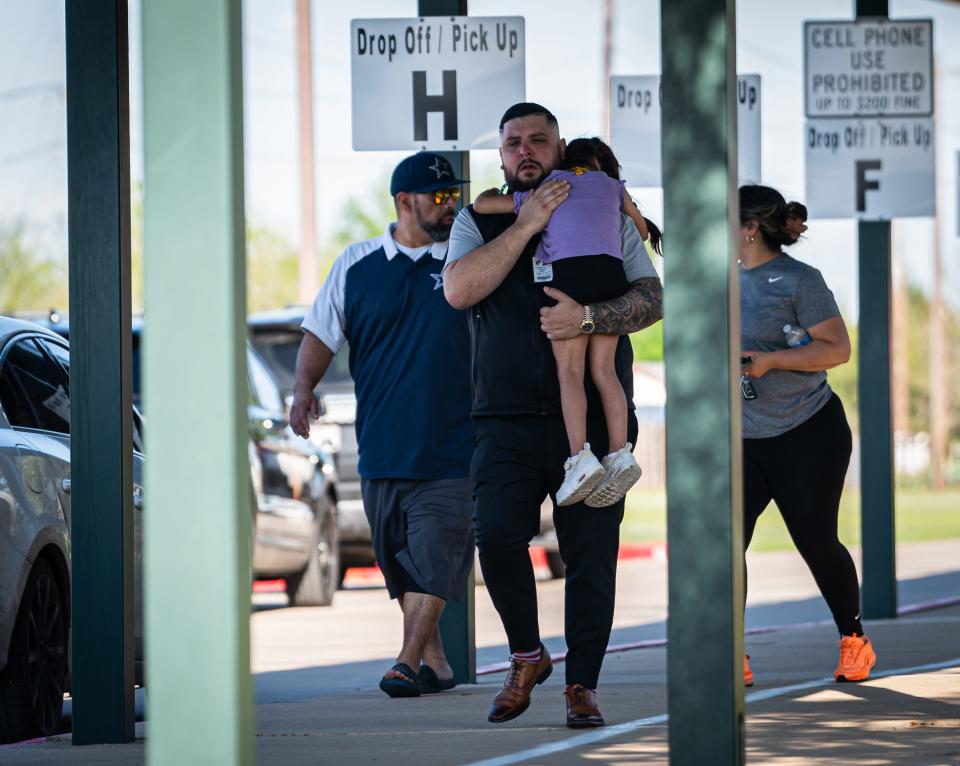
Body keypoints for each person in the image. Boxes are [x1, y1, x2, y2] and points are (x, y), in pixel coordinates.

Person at [444, 103, 663, 728]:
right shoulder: (475, 221)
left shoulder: (599, 210)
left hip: (592, 420)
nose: (526, 151)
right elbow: (459, 291)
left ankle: (582, 685)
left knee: (591, 558)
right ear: (503, 156)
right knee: (498, 540)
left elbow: (651, 298)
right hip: (503, 418)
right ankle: (526, 654)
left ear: (560, 146)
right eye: (513, 143)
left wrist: (589, 320)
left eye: (539, 139)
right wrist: (526, 225)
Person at [289, 152, 474, 699]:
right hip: (383, 449)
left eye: (453, 195)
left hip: (456, 448)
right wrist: (303, 390)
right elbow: (322, 332)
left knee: (435, 555)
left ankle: (406, 660)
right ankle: (437, 662)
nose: (450, 204)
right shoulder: (357, 264)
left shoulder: (469, 262)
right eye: (438, 197)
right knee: (401, 562)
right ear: (403, 201)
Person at [738, 184, 877, 687]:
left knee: (816, 541)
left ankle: (854, 641)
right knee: (726, 544)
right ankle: (734, 654)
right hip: (744, 439)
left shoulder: (798, 279)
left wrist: (772, 359)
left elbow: (837, 348)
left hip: (808, 432)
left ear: (750, 227)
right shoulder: (721, 282)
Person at [471, 137, 657, 508]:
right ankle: (619, 453)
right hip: (611, 277)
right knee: (605, 372)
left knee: (570, 373)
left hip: (569, 277)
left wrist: (502, 193)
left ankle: (580, 459)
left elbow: (483, 204)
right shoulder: (610, 186)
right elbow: (640, 229)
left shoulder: (551, 188)